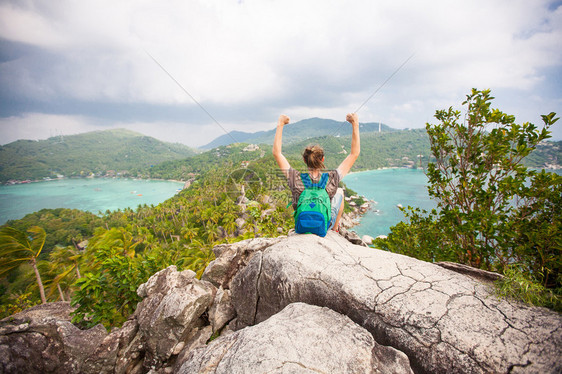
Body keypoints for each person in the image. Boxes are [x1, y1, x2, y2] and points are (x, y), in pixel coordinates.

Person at [272, 113, 360, 233]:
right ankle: (334, 229)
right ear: (323, 159)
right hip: (323, 225)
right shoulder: (332, 178)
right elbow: (354, 154)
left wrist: (280, 123)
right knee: (340, 192)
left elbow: (277, 153)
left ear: (304, 160)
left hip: (302, 224)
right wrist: (355, 123)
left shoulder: (295, 178)